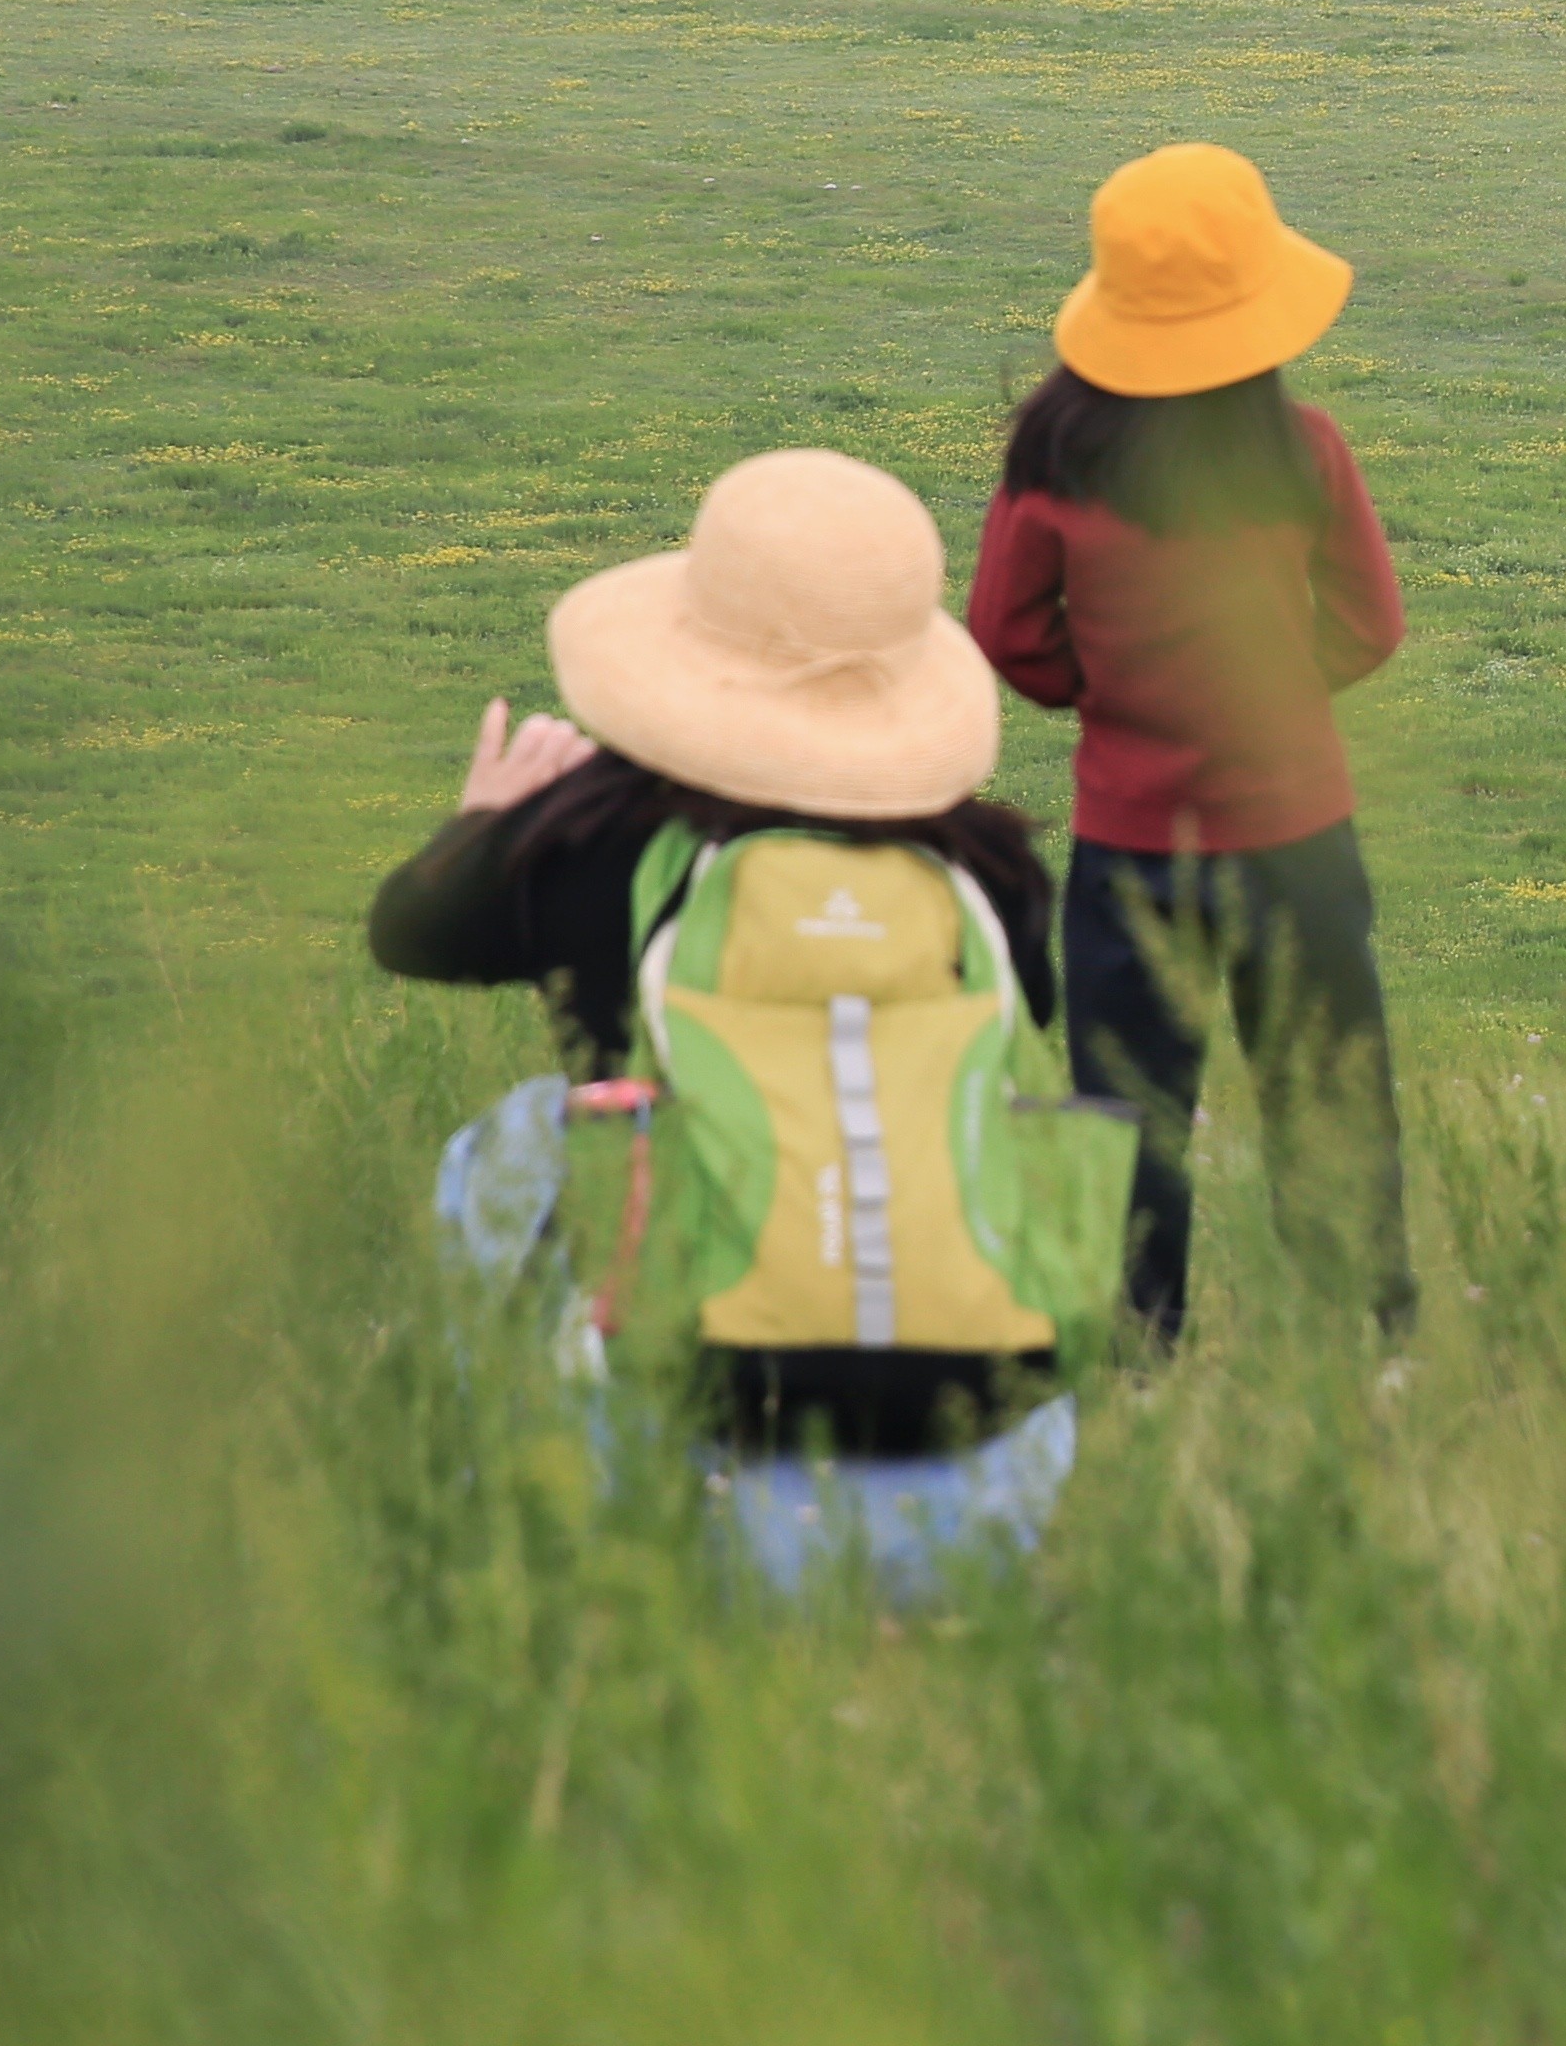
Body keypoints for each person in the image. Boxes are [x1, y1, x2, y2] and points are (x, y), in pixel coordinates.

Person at [371, 446, 1114, 1592]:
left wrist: (483, 828)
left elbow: (408, 937)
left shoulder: (592, 844)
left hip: (680, 1500)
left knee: (506, 1148)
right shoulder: (991, 875)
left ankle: (502, 1515)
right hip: (981, 1512)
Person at [968, 142, 1415, 1345]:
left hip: (1130, 843)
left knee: (1125, 1112)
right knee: (1325, 1092)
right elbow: (1371, 625)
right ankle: (1364, 1345)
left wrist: (1112, 698)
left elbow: (1006, 637)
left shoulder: (1052, 467)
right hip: (1296, 836)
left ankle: (1138, 1353)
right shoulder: (1300, 449)